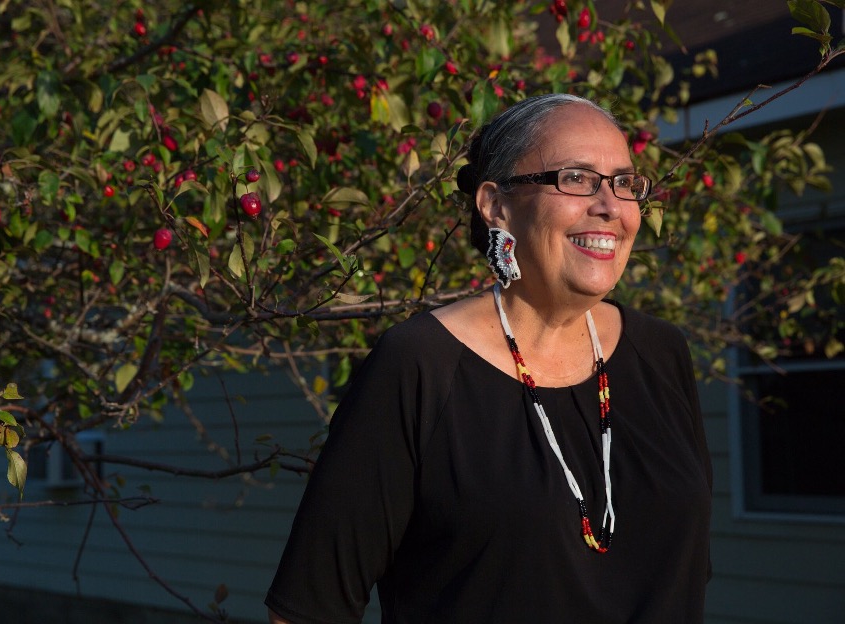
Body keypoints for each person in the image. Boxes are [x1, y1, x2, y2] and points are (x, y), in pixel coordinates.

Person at [265, 94, 712, 624]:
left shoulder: (661, 353)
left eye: (624, 182)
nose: (610, 206)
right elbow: (310, 608)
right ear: (496, 205)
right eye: (576, 178)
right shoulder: (420, 365)